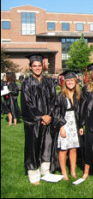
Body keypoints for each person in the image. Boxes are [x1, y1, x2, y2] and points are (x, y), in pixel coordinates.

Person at [21, 54, 56, 185]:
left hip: (47, 121)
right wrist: (41, 116)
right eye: (34, 66)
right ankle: (34, 174)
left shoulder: (49, 82)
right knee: (33, 147)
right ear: (30, 67)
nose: (37, 68)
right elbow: (27, 104)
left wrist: (49, 116)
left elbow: (53, 100)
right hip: (33, 122)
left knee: (47, 145)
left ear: (43, 66)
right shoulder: (26, 84)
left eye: (39, 65)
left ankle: (45, 171)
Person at [52, 71, 83, 180]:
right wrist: (61, 127)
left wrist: (80, 126)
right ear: (65, 82)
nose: (70, 82)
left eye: (72, 80)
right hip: (64, 124)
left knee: (73, 148)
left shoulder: (77, 95)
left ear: (75, 81)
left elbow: (80, 112)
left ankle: (73, 171)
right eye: (68, 80)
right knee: (64, 149)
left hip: (74, 124)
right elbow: (56, 113)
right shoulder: (61, 95)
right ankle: (64, 172)